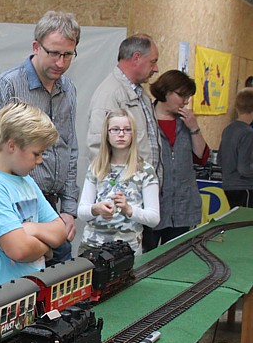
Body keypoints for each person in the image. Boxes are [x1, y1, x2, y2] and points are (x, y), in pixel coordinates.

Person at [0, 11, 80, 265]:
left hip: (51, 208)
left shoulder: (68, 89)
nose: (60, 62)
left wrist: (68, 210)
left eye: (68, 55)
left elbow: (69, 150)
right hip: (13, 208)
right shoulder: (6, 86)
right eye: (54, 53)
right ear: (36, 47)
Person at [0, 102, 66, 296]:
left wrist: (31, 229)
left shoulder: (26, 180)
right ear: (12, 145)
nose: (39, 161)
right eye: (36, 153)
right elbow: (20, 250)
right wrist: (47, 248)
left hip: (25, 293)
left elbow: (60, 231)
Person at [143, 70, 209, 251]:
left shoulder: (185, 122)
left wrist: (194, 128)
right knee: (147, 258)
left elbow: (202, 157)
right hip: (153, 205)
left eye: (188, 96)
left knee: (177, 258)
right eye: (181, 95)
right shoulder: (145, 118)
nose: (185, 101)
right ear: (165, 91)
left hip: (182, 207)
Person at [77, 110, 159, 254]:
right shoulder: (96, 167)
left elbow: (153, 218)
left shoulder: (145, 170)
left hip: (128, 249)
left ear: (134, 134)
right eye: (115, 129)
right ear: (106, 133)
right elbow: (82, 212)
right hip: (93, 246)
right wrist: (96, 209)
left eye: (127, 130)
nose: (121, 134)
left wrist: (129, 209)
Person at [88, 34, 161, 178]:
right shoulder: (110, 94)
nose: (156, 69)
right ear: (136, 58)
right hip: (124, 192)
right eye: (152, 62)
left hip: (142, 190)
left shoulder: (142, 95)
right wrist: (114, 189)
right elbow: (98, 149)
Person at [219, 88, 253, 208]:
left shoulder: (228, 129)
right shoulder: (248, 133)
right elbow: (244, 168)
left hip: (228, 186)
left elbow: (220, 159)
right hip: (245, 187)